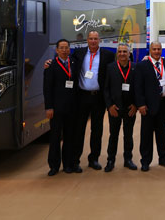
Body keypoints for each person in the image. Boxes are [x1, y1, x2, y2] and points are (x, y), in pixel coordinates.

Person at [73, 30, 115, 171]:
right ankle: (75, 160)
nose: (93, 41)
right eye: (91, 38)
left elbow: (114, 71)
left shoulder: (108, 55)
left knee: (97, 130)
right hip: (82, 96)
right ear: (87, 40)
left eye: (95, 38)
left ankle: (94, 159)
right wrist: (49, 63)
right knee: (79, 129)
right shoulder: (78, 54)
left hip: (98, 97)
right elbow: (67, 63)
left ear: (99, 40)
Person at [134, 41, 165, 171]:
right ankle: (145, 161)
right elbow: (138, 87)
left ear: (162, 50)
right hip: (148, 106)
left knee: (162, 134)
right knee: (146, 135)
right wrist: (140, 104)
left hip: (164, 104)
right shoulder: (142, 65)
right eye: (154, 49)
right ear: (150, 50)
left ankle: (164, 159)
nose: (156, 51)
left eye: (159, 49)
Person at [43, 39, 80, 175]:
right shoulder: (51, 65)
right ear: (57, 50)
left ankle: (68, 164)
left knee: (70, 137)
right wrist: (48, 107)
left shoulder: (74, 63)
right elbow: (47, 88)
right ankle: (54, 165)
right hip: (56, 108)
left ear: (69, 49)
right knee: (55, 137)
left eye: (66, 48)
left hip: (72, 107)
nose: (64, 50)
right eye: (62, 48)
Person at [103, 42, 138, 172]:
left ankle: (128, 160)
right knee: (113, 135)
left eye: (125, 51)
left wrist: (135, 105)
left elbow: (138, 88)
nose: (122, 54)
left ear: (129, 54)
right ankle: (110, 160)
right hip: (115, 109)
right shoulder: (110, 68)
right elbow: (106, 89)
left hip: (130, 108)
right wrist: (109, 106)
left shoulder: (135, 67)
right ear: (117, 54)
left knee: (128, 135)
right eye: (120, 51)